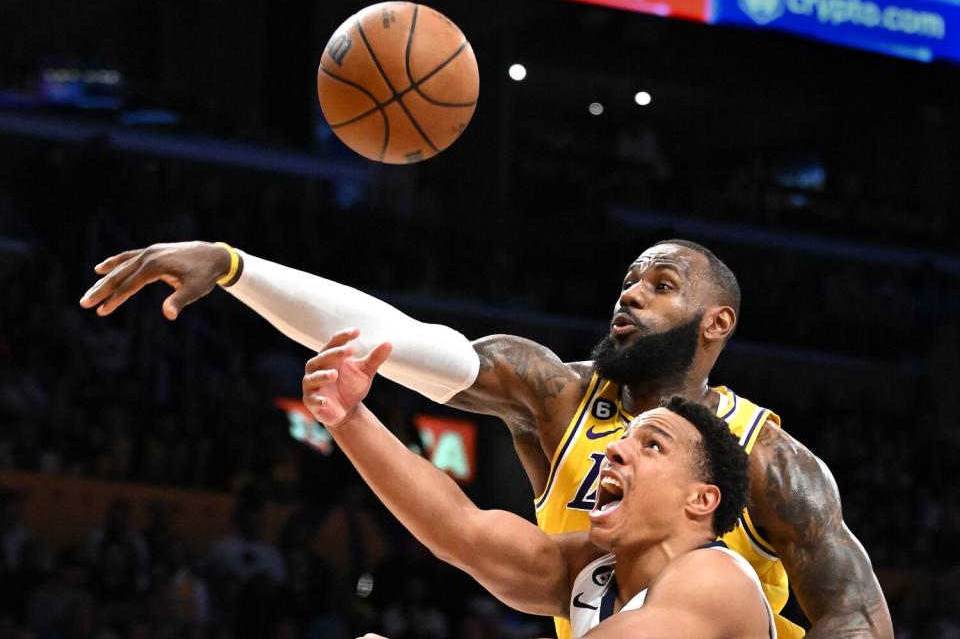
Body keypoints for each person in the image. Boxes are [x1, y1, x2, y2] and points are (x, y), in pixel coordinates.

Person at [80, 239, 893, 638]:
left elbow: (856, 621)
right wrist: (237, 268)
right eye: (627, 280)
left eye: (662, 284)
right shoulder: (563, 413)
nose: (632, 293)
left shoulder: (755, 494)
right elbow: (464, 530)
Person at [300, 328, 775, 638]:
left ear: (701, 499)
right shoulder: (593, 570)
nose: (614, 449)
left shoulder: (716, 578)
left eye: (652, 445)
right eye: (623, 437)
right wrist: (347, 418)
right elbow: (458, 529)